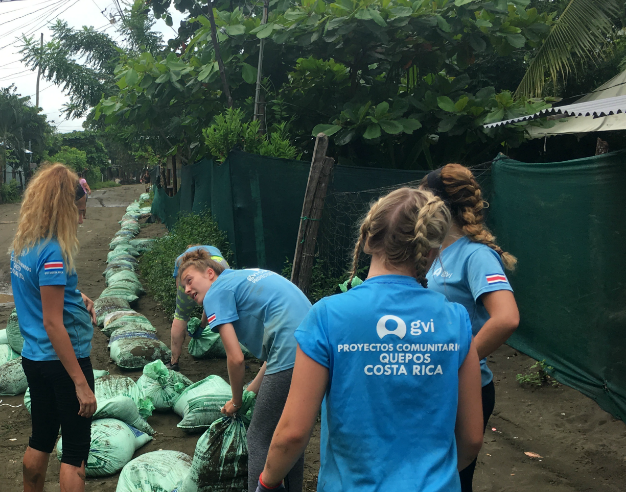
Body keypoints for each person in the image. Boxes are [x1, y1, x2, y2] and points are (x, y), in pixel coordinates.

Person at [256, 188, 484, 492]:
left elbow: (294, 433)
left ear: (366, 240)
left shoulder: (327, 316)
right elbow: (471, 438)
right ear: (431, 252)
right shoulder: (455, 319)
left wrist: (267, 483)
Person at [178, 251, 312, 492]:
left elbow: (236, 359)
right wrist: (251, 391)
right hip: (313, 346)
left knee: (258, 436)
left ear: (210, 273)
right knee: (290, 432)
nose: (187, 290)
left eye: (189, 280)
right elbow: (273, 357)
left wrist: (237, 401)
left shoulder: (216, 292)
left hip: (291, 349)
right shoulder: (239, 279)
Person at [422, 164, 520, 492]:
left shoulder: (476, 256)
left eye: (423, 198)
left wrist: (459, 361)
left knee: (453, 481)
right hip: (437, 384)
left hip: (466, 388)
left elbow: (506, 318)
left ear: (439, 205)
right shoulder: (437, 254)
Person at [10, 162, 98, 492]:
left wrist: (76, 296)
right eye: (78, 211)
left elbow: (39, 293)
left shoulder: (24, 243)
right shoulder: (53, 252)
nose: (81, 219)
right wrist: (80, 382)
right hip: (63, 361)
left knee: (41, 439)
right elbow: (52, 322)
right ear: (62, 208)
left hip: (34, 359)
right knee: (75, 453)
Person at [168, 244, 230, 371]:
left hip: (201, 270)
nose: (187, 290)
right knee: (227, 315)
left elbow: (180, 287)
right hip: (222, 266)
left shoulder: (181, 261)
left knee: (180, 315)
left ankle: (174, 362)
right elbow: (209, 301)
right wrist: (202, 325)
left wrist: (187, 315)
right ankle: (235, 355)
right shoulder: (214, 250)